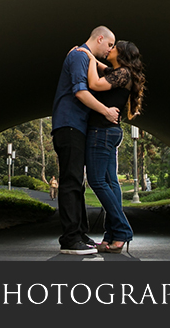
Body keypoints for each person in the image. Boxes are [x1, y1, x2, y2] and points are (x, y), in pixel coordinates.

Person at [51, 26, 120, 255]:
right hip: (68, 124)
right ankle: (70, 239)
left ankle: (79, 233)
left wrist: (94, 58)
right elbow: (80, 92)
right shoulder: (79, 56)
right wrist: (106, 112)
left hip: (76, 126)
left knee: (77, 182)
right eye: (109, 45)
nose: (110, 50)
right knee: (70, 180)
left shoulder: (83, 56)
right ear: (99, 38)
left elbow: (108, 71)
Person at [75, 40, 146, 254]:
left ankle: (122, 230)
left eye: (114, 47)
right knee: (111, 183)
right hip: (108, 132)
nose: (109, 48)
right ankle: (111, 235)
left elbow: (95, 84)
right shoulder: (121, 72)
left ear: (122, 53)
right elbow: (102, 68)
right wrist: (91, 57)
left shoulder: (123, 73)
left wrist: (86, 57)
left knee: (97, 181)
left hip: (102, 132)